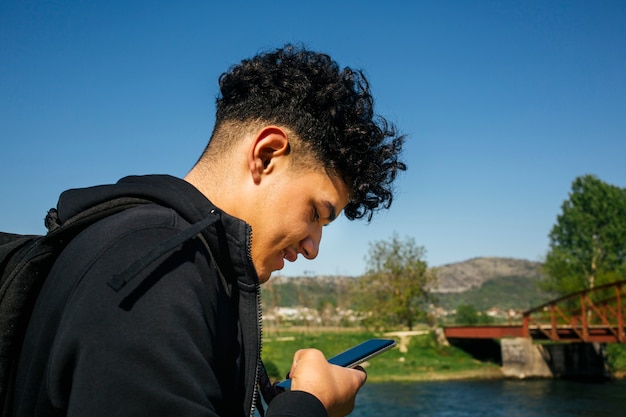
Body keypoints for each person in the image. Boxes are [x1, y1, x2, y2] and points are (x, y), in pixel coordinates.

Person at [12, 44, 406, 417]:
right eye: (317, 214)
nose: (313, 247)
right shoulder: (159, 266)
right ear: (266, 155)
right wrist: (309, 403)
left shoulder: (159, 250)